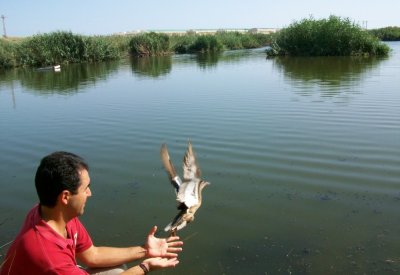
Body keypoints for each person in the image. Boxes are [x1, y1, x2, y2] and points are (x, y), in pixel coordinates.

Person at [0, 151, 183, 275]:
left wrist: (145, 251)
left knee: (117, 268)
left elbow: (92, 255)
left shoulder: (54, 214)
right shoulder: (49, 258)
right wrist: (145, 266)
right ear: (65, 197)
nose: (90, 193)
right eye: (86, 188)